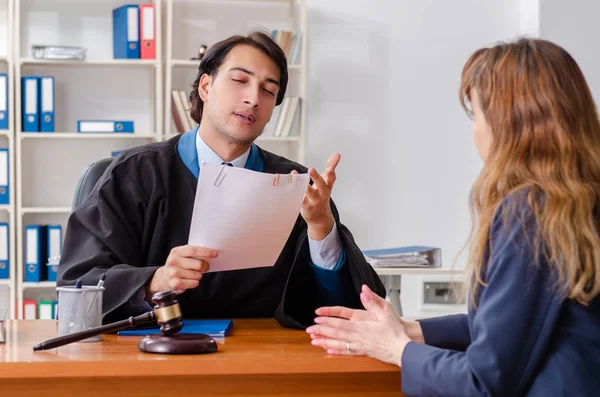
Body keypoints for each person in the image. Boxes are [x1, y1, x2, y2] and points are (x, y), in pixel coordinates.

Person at [306, 38, 600, 396]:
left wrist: (397, 349)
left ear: (510, 122)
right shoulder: (579, 198)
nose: (475, 131)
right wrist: (411, 329)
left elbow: (482, 382)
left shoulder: (530, 210)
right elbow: (517, 325)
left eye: (476, 115)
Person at [57, 30, 385, 329]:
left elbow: (349, 306)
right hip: (150, 356)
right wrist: (154, 280)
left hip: (264, 363)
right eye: (240, 80)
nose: (253, 98)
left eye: (268, 91)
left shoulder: (294, 185)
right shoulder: (134, 173)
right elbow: (77, 286)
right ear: (205, 86)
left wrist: (321, 228)